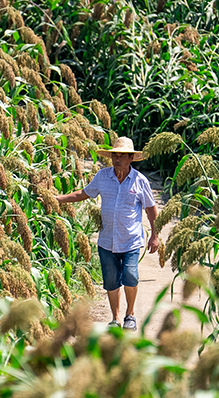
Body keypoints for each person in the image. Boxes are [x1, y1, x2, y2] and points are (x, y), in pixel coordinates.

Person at [55, 137, 159, 330]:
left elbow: (151, 209)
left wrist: (155, 235)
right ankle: (116, 318)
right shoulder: (103, 177)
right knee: (111, 281)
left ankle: (131, 315)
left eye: (122, 156)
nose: (117, 159)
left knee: (130, 276)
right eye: (114, 156)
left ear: (130, 159)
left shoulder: (139, 181)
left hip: (131, 241)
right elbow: (82, 194)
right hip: (107, 241)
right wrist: (57, 199)